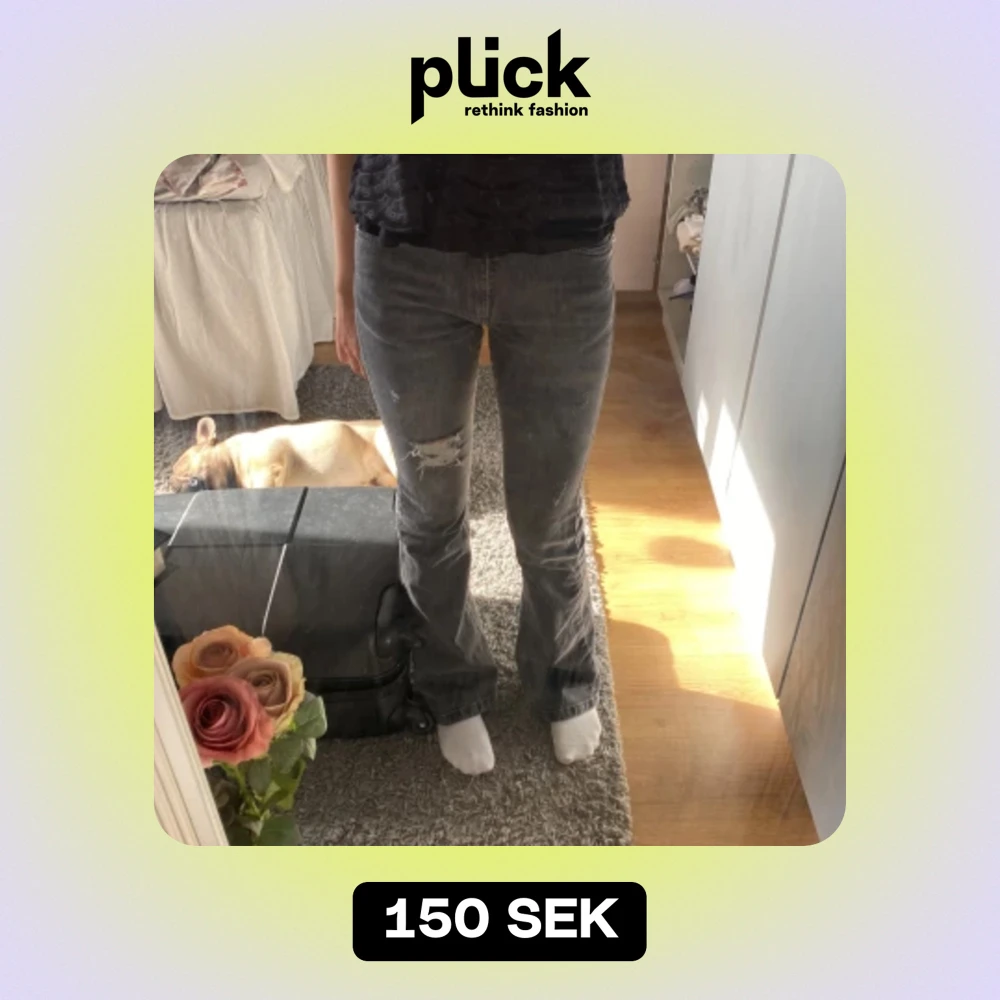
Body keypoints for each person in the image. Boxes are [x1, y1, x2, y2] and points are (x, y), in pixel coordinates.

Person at [327, 154, 629, 775]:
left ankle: (563, 673)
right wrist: (342, 278)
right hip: (407, 253)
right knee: (431, 503)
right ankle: (451, 680)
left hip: (562, 245)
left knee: (548, 513)